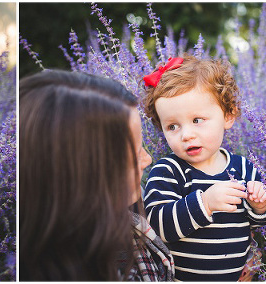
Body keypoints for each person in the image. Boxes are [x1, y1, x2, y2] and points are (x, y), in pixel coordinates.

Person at [20, 70, 174, 281]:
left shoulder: (127, 219)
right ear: (86, 172)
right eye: (135, 154)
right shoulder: (108, 266)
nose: (148, 159)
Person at [141, 55, 266, 281]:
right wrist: (205, 203)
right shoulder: (168, 171)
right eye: (172, 126)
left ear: (228, 115)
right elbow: (158, 227)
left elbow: (259, 225)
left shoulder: (242, 168)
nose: (186, 134)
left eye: (197, 120)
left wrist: (260, 207)